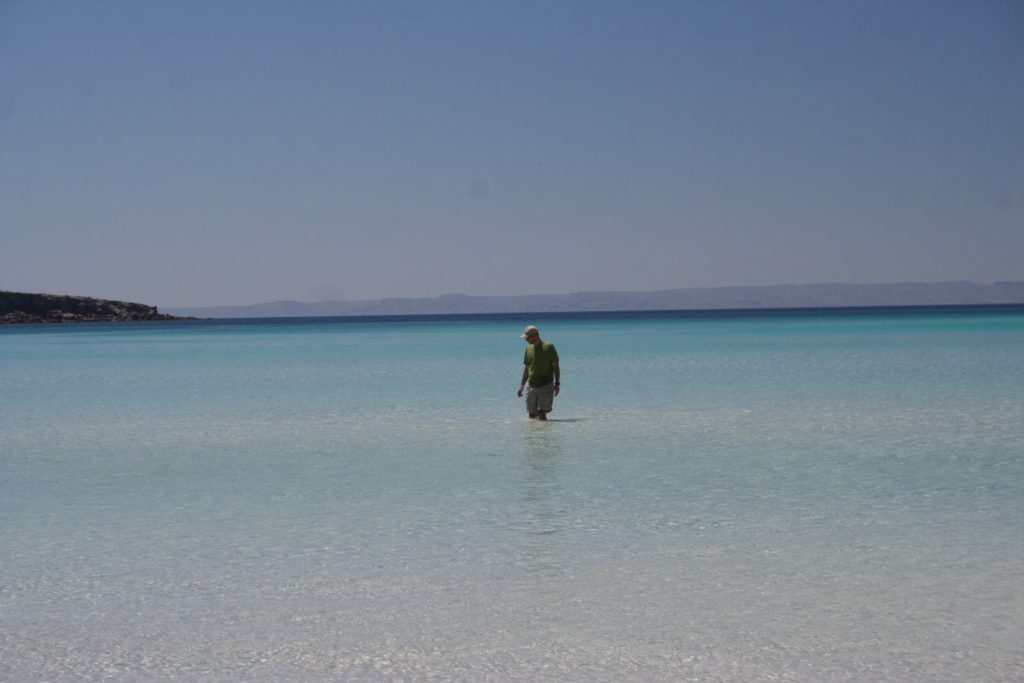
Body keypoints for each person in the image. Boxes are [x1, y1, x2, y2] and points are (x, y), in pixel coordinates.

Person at [517, 325, 560, 420]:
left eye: (527, 338)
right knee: (532, 415)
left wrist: (557, 384)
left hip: (546, 384)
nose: (526, 340)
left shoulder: (549, 347)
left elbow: (556, 367)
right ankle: (535, 435)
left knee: (541, 413)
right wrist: (521, 385)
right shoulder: (528, 349)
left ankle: (544, 434)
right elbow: (527, 369)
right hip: (531, 385)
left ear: (534, 336)